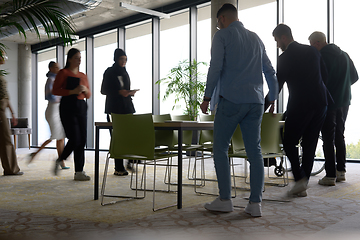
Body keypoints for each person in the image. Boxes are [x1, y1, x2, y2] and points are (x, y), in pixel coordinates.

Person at [200, 3, 278, 217]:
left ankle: (225, 199)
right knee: (255, 152)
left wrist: (207, 97)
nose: (218, 27)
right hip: (255, 102)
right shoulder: (256, 38)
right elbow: (270, 71)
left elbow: (215, 67)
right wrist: (272, 97)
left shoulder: (222, 36)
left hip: (231, 101)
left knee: (220, 148)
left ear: (223, 19)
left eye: (218, 23)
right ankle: (255, 204)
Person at [272, 24, 330, 197]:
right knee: (310, 143)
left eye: (277, 40)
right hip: (321, 102)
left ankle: (300, 179)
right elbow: (325, 75)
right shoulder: (312, 51)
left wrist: (269, 101)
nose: (277, 45)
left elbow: (278, 83)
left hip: (301, 104)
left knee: (288, 141)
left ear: (283, 37)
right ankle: (302, 182)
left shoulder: (285, 58)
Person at [308, 31, 358, 186]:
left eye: (312, 45)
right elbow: (355, 76)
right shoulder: (344, 55)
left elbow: (318, 81)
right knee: (339, 135)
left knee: (328, 138)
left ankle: (330, 175)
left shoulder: (321, 56)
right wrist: (342, 87)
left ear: (317, 43)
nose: (312, 49)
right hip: (344, 101)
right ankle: (341, 171)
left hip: (329, 103)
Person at [52, 48, 91, 181]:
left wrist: (85, 90)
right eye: (76, 57)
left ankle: (79, 171)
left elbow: (89, 95)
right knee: (75, 138)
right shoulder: (63, 72)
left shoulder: (83, 75)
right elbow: (55, 90)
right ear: (69, 59)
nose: (79, 60)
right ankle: (60, 159)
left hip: (81, 106)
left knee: (83, 140)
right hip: (68, 106)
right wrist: (72, 91)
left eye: (80, 57)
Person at [101, 48, 138, 176]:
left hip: (126, 106)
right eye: (122, 59)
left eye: (125, 59)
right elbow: (104, 90)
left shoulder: (124, 72)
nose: (124, 62)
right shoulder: (109, 72)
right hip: (115, 108)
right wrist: (119, 92)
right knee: (117, 137)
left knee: (130, 134)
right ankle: (118, 167)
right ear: (116, 59)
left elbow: (125, 88)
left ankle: (130, 160)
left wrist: (129, 93)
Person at [28, 61, 69, 169]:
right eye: (56, 67)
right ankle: (35, 153)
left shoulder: (56, 80)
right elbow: (50, 96)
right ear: (51, 68)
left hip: (58, 110)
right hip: (52, 111)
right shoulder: (50, 80)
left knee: (60, 137)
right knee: (55, 136)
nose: (58, 69)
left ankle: (61, 161)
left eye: (59, 67)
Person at [0, 52, 23, 176]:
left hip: (3, 109)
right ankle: (11, 169)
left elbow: (6, 96)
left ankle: (10, 168)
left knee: (5, 140)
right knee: (6, 140)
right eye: (2, 55)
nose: (4, 57)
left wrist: (13, 113)